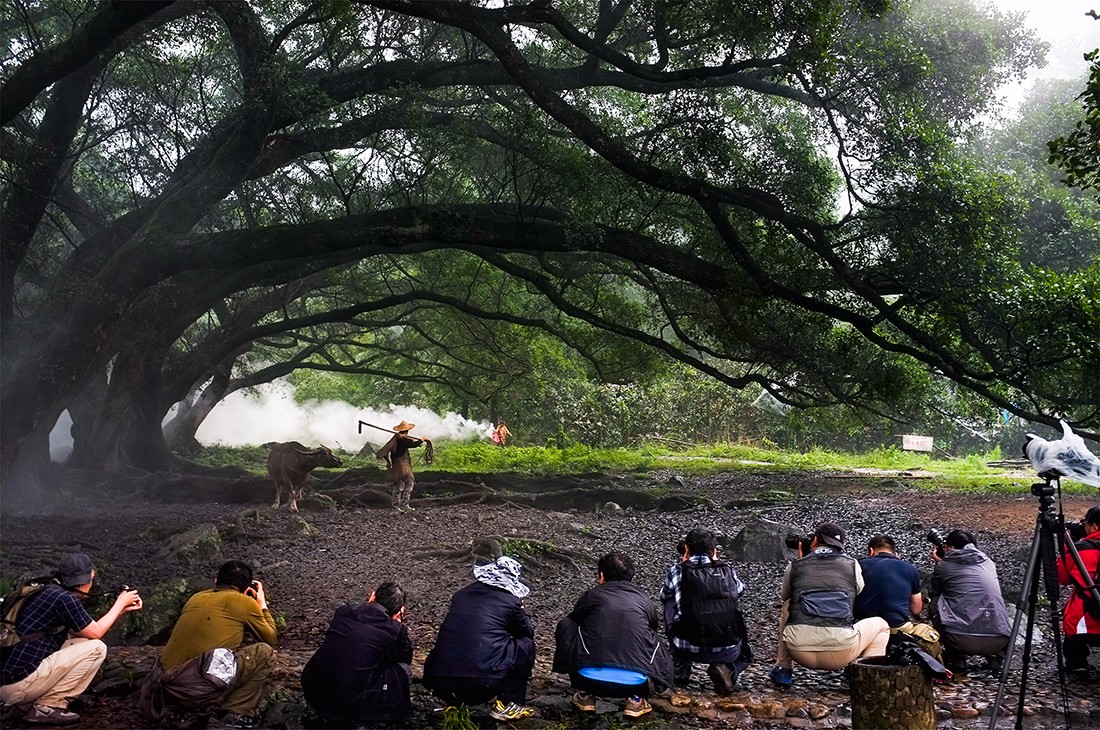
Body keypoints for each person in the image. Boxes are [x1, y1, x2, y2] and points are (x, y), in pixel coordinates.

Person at [1, 553, 143, 725]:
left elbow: (83, 632)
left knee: (83, 643)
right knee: (97, 648)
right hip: (19, 686)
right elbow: (96, 633)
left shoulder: (47, 590)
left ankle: (24, 706)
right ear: (89, 576)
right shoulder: (64, 599)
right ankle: (47, 707)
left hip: (8, 682)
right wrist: (120, 602)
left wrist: (119, 611)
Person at [142, 560, 277, 729]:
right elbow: (270, 638)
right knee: (265, 653)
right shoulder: (242, 601)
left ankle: (185, 711)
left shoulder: (196, 597)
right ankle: (233, 714)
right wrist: (261, 604)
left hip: (164, 686)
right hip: (195, 690)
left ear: (215, 580)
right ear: (246, 588)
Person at [553, 552, 674, 719]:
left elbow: (573, 621)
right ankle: (636, 700)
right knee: (652, 636)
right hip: (634, 685)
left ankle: (585, 696)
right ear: (632, 577)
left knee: (567, 625)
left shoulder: (592, 595)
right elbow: (653, 627)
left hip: (588, 680)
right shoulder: (644, 600)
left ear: (601, 576)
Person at [767, 522, 890, 687]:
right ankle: (866, 676)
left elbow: (785, 596)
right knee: (881, 625)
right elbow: (858, 590)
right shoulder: (852, 565)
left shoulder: (795, 566)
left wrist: (805, 569)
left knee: (788, 604)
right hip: (841, 653)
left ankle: (783, 668)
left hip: (799, 650)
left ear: (815, 539)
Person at [423, 556, 537, 722]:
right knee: (526, 645)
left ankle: (454, 701)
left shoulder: (460, 595)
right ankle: (510, 703)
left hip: (440, 683)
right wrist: (521, 610)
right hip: (481, 685)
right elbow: (527, 632)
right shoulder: (511, 602)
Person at [301, 582, 413, 725]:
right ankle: (370, 715)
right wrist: (397, 624)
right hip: (351, 701)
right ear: (398, 612)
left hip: (313, 686)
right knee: (404, 669)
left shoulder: (343, 611)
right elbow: (405, 658)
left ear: (372, 596)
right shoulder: (394, 629)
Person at [660, 528, 751, 694]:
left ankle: (680, 664)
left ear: (686, 549)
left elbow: (663, 594)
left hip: (687, 646)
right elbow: (739, 591)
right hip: (727, 648)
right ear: (715, 551)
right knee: (733, 605)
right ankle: (728, 668)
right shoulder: (728, 570)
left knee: (669, 601)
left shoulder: (677, 571)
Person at [928, 530, 1010, 675]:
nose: (944, 548)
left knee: (935, 601)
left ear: (951, 548)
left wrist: (939, 564)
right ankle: (995, 658)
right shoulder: (989, 563)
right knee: (989, 600)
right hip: (999, 640)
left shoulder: (943, 566)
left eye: (945, 546)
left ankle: (956, 657)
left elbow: (935, 589)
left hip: (959, 640)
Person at [1056, 505, 1100, 679]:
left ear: (1095, 527)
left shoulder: (1082, 550)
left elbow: (1063, 578)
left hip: (1088, 620)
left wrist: (1069, 546)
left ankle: (1077, 663)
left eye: (1086, 523)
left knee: (1072, 619)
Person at [854, 534, 923, 629]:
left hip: (865, 624)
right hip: (897, 624)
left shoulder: (858, 565)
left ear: (871, 551)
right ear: (895, 553)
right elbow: (916, 609)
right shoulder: (910, 569)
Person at [375, 420, 431, 512]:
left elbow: (386, 452)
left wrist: (388, 462)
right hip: (401, 465)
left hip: (399, 465)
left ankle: (400, 506)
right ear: (407, 431)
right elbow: (412, 444)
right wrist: (423, 439)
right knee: (405, 484)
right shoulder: (401, 440)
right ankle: (401, 505)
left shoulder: (396, 439)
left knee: (403, 484)